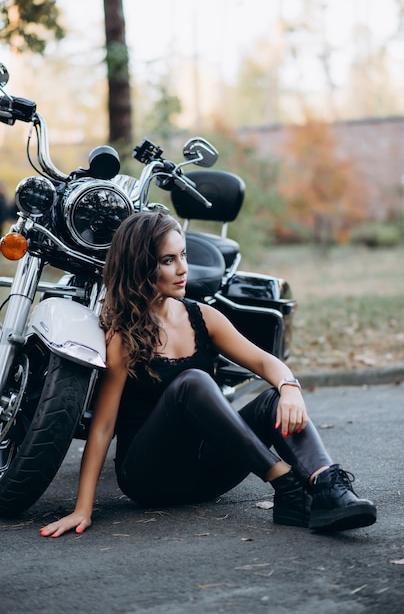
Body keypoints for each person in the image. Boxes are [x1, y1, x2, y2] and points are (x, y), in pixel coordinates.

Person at [40, 211, 376, 538]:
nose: (183, 268)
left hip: (206, 476)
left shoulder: (204, 316)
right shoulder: (122, 336)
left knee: (273, 398)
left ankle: (329, 488)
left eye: (183, 255)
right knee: (193, 382)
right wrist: (83, 508)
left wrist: (290, 388)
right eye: (167, 260)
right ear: (141, 266)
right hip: (148, 477)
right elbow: (103, 428)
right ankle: (286, 483)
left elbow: (264, 362)